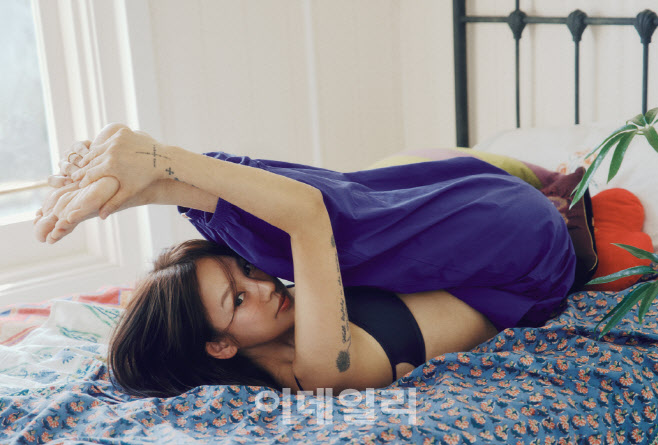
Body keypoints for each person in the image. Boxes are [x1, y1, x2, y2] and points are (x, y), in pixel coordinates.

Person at [35, 123, 577, 398]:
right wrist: (165, 157)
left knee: (279, 237)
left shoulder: (279, 322)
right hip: (525, 255)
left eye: (245, 275)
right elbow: (309, 213)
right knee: (304, 235)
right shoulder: (319, 370)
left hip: (480, 209)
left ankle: (155, 182)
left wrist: (161, 179)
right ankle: (156, 169)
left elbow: (301, 212)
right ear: (220, 346)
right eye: (237, 299)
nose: (263, 286)